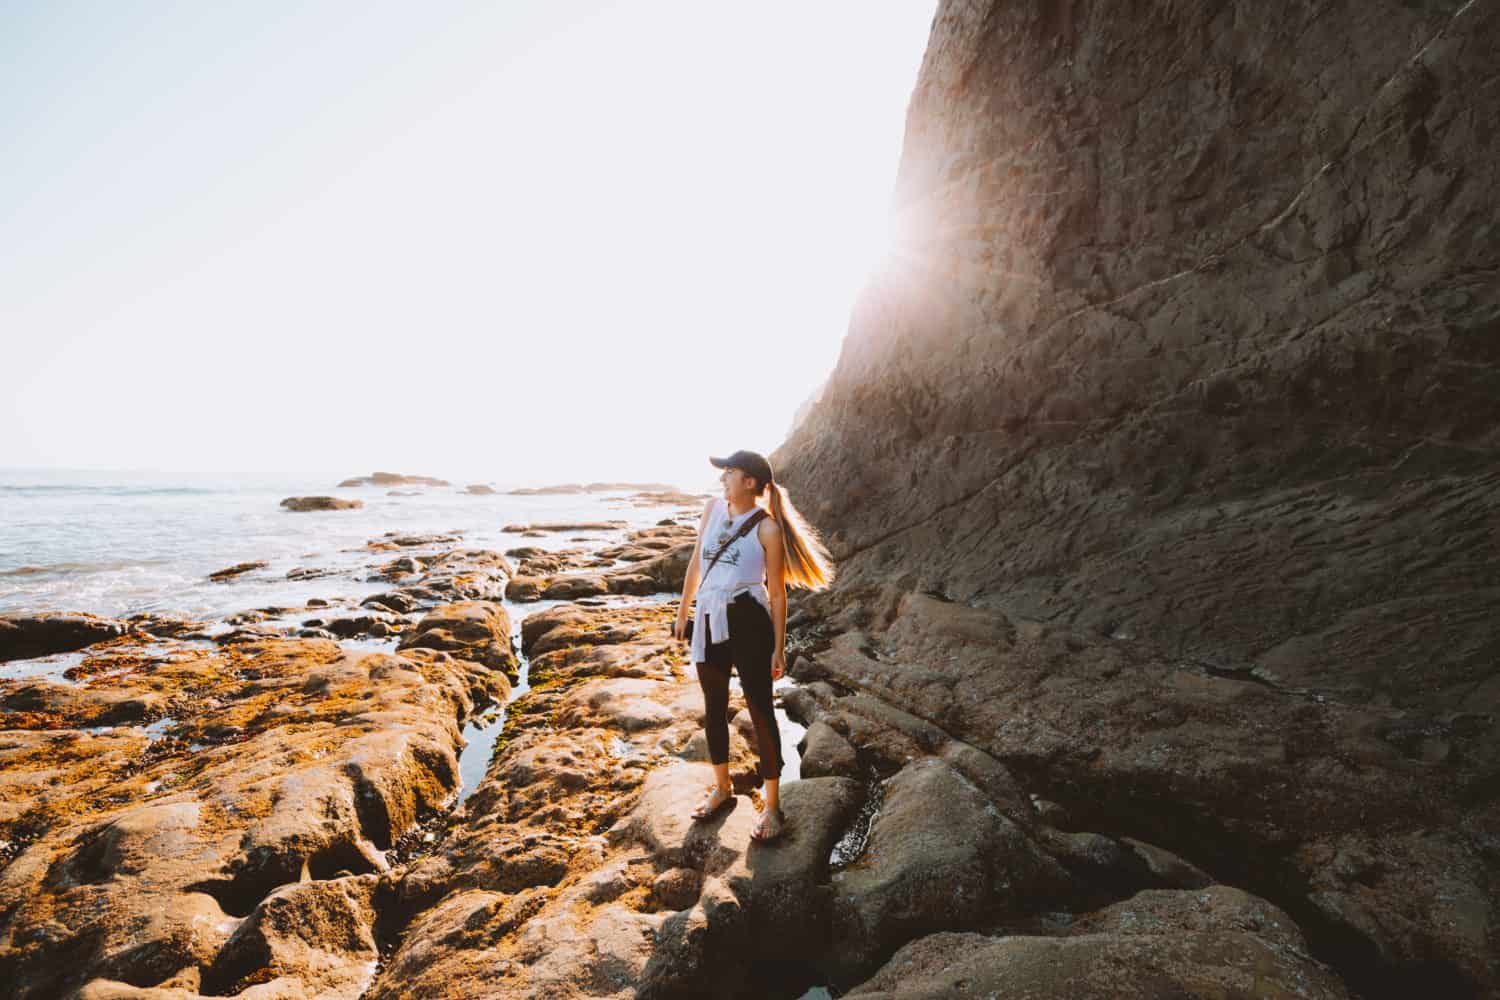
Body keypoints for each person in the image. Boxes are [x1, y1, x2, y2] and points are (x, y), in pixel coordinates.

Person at [672, 449, 835, 842]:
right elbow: (697, 562)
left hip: (749, 623)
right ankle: (722, 788)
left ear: (750, 482)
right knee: (713, 707)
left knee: (760, 711)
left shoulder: (767, 529)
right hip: (709, 617)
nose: (722, 477)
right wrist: (683, 612)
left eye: (730, 472)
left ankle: (774, 806)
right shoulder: (712, 509)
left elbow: (777, 594)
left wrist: (779, 647)